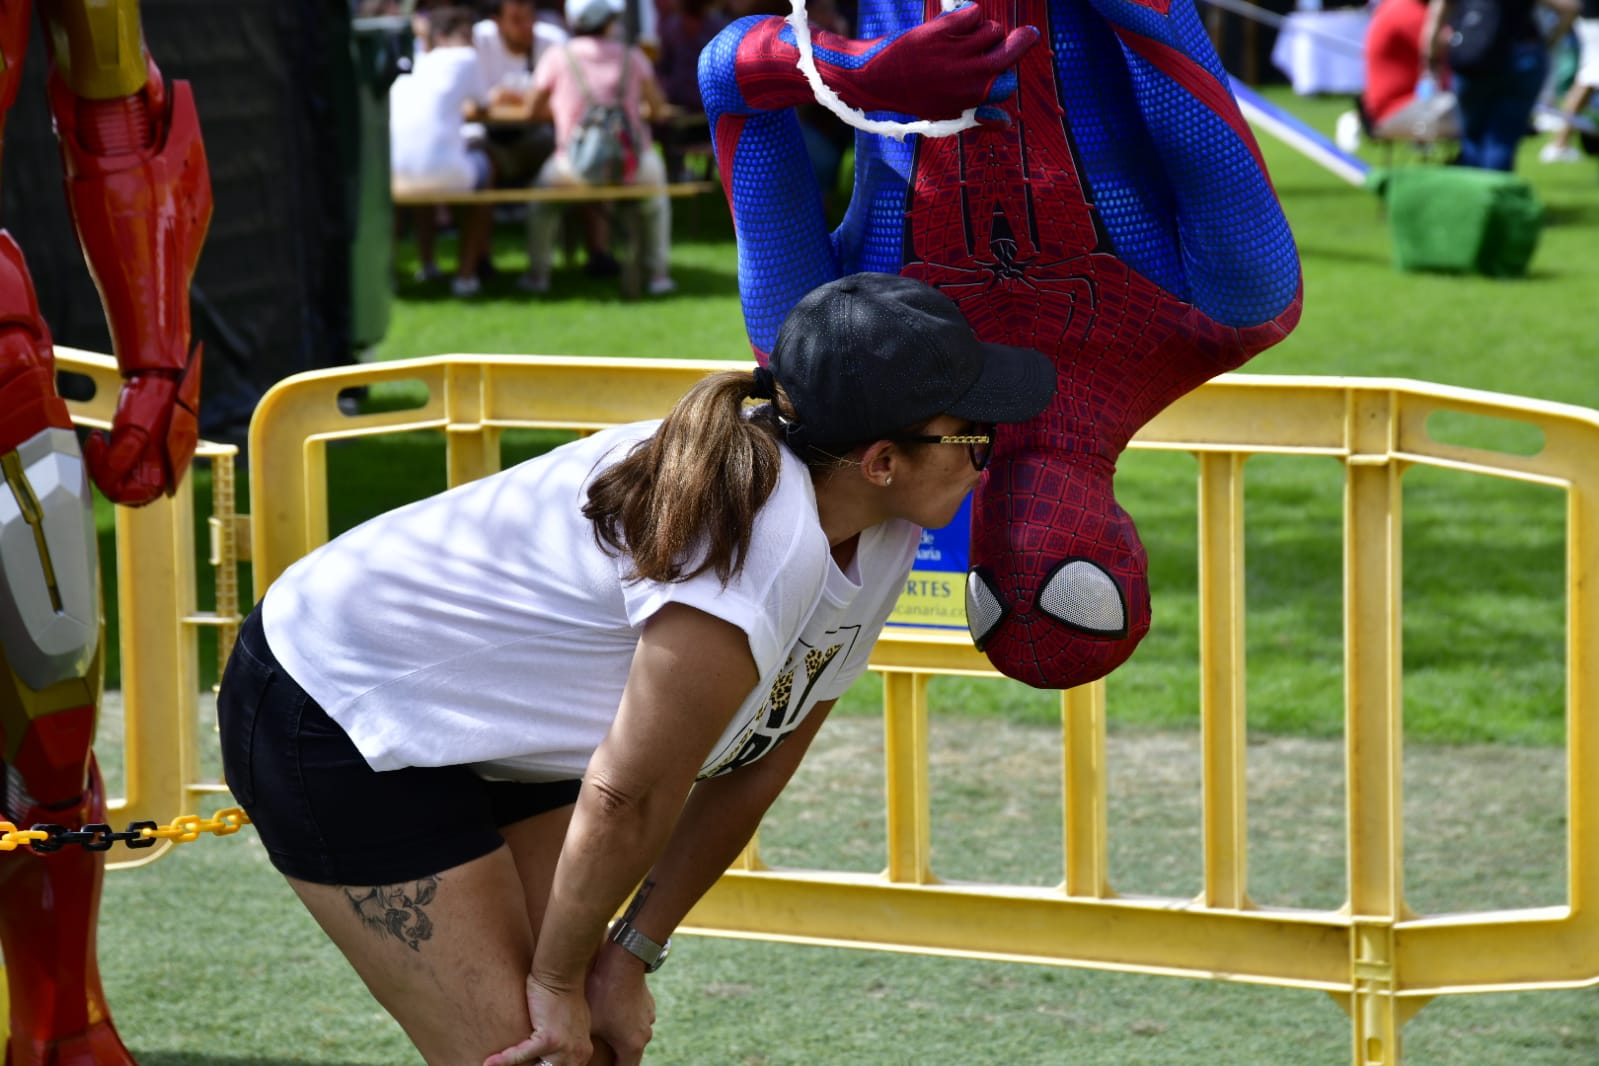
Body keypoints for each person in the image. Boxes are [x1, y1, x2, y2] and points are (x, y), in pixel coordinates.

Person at [215, 271, 1057, 1066]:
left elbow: (765, 756)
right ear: (880, 460)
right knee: (536, 1052)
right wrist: (554, 984)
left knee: (591, 1044)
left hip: (497, 724)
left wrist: (628, 956)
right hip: (336, 700)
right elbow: (627, 793)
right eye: (972, 433)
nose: (989, 452)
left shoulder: (886, 529)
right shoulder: (757, 539)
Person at [521, 0, 676, 294]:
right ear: (607, 22)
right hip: (632, 163)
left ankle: (538, 276)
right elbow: (658, 109)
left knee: (541, 206)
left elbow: (531, 109)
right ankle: (658, 275)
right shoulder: (632, 55)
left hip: (573, 164)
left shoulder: (558, 56)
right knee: (655, 202)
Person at [390, 7, 499, 295]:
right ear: (441, 37)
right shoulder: (464, 57)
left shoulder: (413, 63)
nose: (470, 42)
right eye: (465, 35)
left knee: (429, 183)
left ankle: (428, 265)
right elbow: (484, 104)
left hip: (397, 173)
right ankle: (466, 276)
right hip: (440, 170)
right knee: (486, 171)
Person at [1422, 0, 1578, 170]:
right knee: (1502, 139)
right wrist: (1549, 41)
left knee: (1472, 138)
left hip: (1473, 55)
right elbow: (1569, 7)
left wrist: (1431, 55)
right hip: (1520, 55)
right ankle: (1493, 191)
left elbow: (1438, 11)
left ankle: (1473, 191)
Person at [1540, 0, 1599, 160]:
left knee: (1589, 77)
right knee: (1589, 77)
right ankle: (1560, 143)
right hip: (1594, 18)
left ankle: (1560, 142)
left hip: (1590, 17)